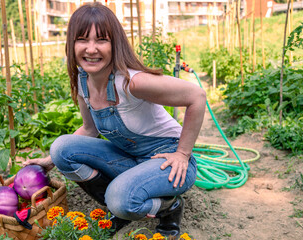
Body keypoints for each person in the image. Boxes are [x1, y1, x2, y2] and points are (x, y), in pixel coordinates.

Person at [24, 2, 206, 237]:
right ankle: (122, 203)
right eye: (82, 39)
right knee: (61, 149)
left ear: (114, 43)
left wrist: (182, 154)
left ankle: (169, 207)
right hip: (131, 158)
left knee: (120, 199)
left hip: (168, 163)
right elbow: (89, 130)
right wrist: (50, 161)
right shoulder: (83, 82)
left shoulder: (133, 82)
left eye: (101, 40)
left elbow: (197, 96)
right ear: (71, 44)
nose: (91, 49)